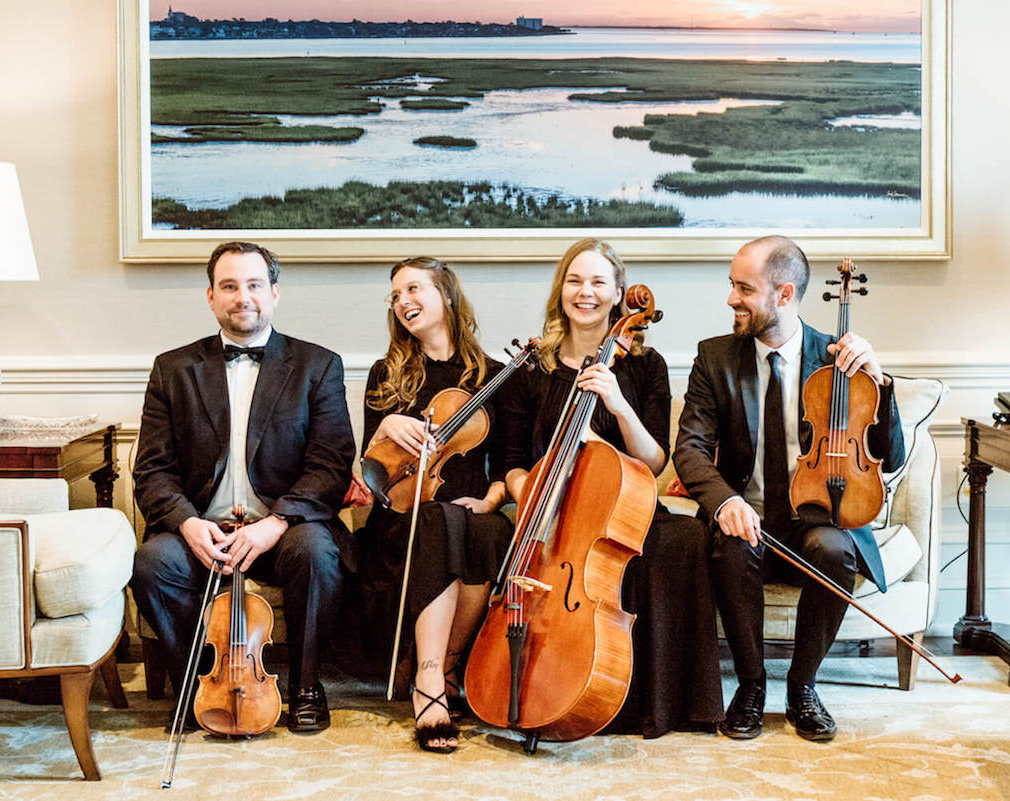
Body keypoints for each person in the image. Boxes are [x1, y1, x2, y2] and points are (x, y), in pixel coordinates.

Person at [673, 235, 905, 742]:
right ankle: (751, 685)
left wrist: (880, 385)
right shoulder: (715, 358)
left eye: (743, 288)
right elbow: (688, 449)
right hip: (747, 516)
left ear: (783, 294)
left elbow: (891, 457)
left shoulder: (836, 359)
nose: (731, 299)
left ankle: (803, 686)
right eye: (732, 285)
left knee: (834, 550)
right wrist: (726, 501)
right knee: (732, 545)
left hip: (817, 518)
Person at [501, 237, 722, 739]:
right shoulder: (532, 367)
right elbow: (512, 462)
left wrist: (618, 403)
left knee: (680, 540)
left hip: (625, 508)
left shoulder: (646, 365)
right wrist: (532, 494)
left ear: (620, 292)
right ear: (561, 290)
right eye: (575, 280)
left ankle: (657, 703)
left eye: (599, 281)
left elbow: (655, 460)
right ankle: (545, 690)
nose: (586, 292)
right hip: (548, 512)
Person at [131, 241, 355, 734]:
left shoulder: (318, 366)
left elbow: (331, 465)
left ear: (273, 293)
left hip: (283, 527)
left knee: (317, 552)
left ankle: (305, 686)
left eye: (254, 285)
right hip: (202, 529)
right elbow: (152, 468)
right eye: (229, 286)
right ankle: (193, 687)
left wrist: (274, 524)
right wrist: (187, 523)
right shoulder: (173, 369)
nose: (242, 297)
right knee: (152, 563)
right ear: (211, 297)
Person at [356, 257, 514, 754]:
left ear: (445, 294)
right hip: (401, 520)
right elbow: (370, 469)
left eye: (414, 289)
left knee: (483, 530)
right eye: (396, 295)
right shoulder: (388, 373)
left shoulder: (492, 374)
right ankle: (430, 680)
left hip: (469, 512)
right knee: (438, 520)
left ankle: (447, 665)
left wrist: (491, 498)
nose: (404, 301)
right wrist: (384, 429)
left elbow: (510, 458)